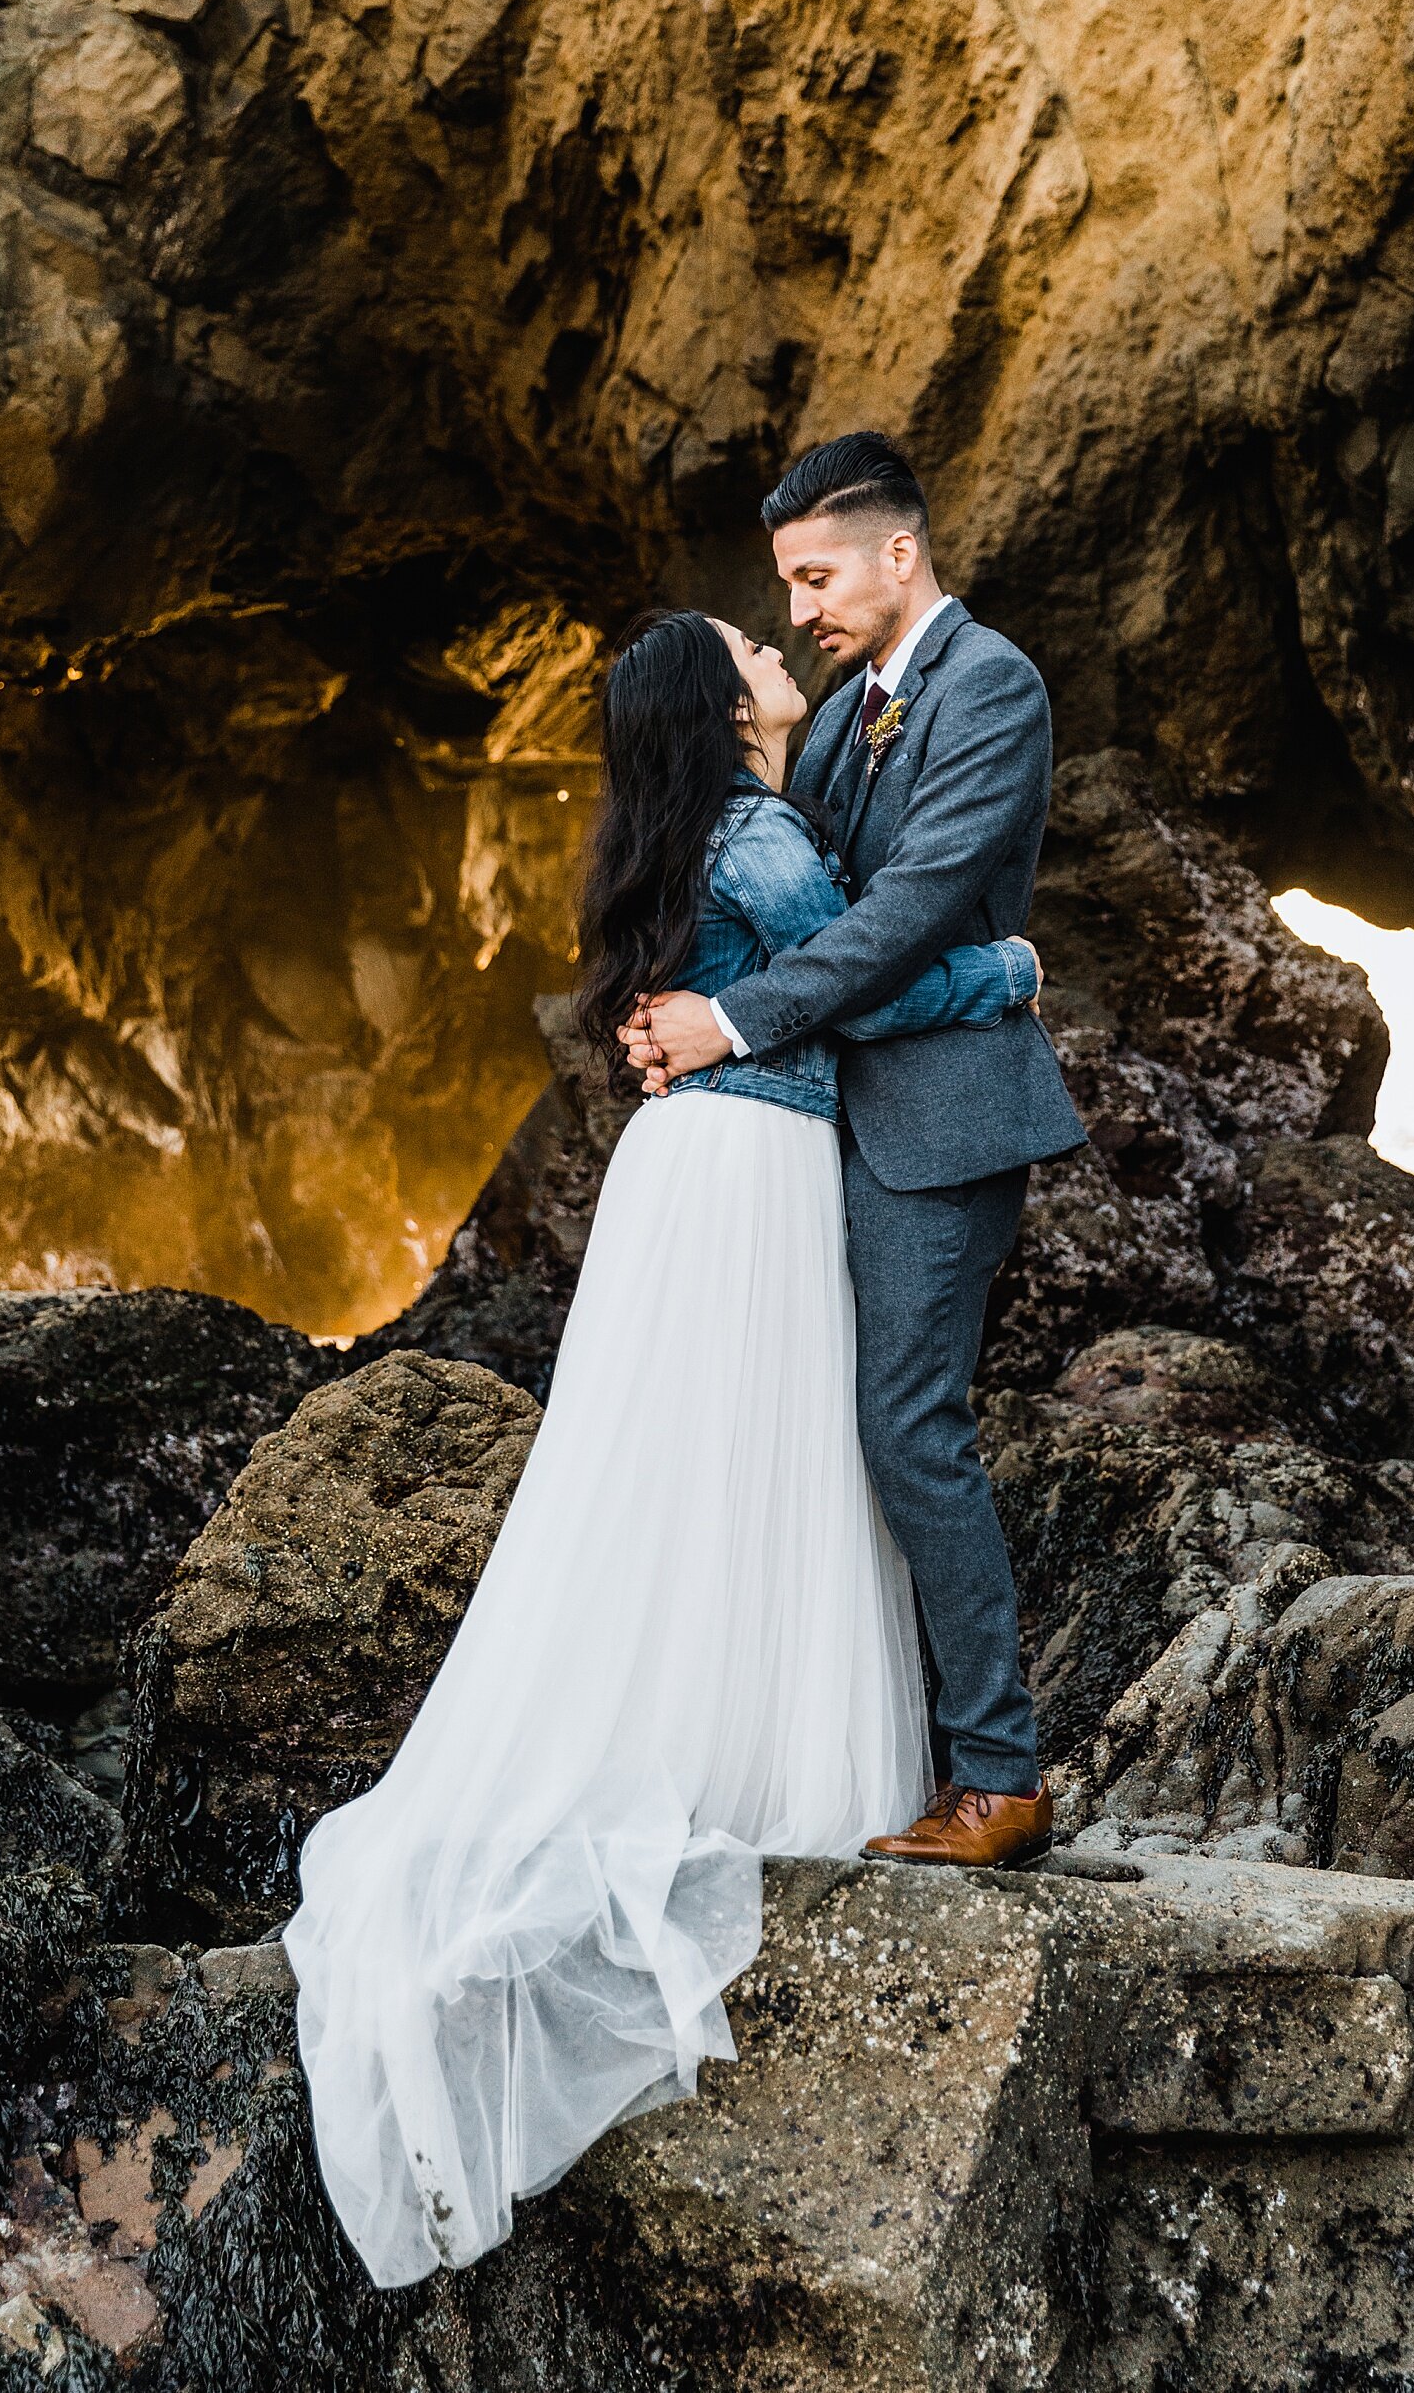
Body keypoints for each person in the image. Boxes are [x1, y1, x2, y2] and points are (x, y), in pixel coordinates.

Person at [283, 601, 1049, 2286]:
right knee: (765, 1480)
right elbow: (870, 976)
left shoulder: (681, 833)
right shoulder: (763, 832)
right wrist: (1012, 966)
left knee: (683, 1484)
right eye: (750, 646)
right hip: (755, 1181)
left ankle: (725, 1747)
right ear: (725, 703)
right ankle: (775, 1772)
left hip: (692, 1177)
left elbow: (767, 984)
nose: (782, 651)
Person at [622, 431, 1088, 1871]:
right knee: (834, 1437)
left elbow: (903, 919)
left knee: (907, 1423)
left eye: (818, 576)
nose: (803, 608)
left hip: (938, 1123)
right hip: (824, 1122)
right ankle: (840, 1751)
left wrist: (727, 1023)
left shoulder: (992, 686)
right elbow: (794, 899)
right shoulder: (830, 721)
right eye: (785, 584)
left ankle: (1000, 1780)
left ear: (901, 554)